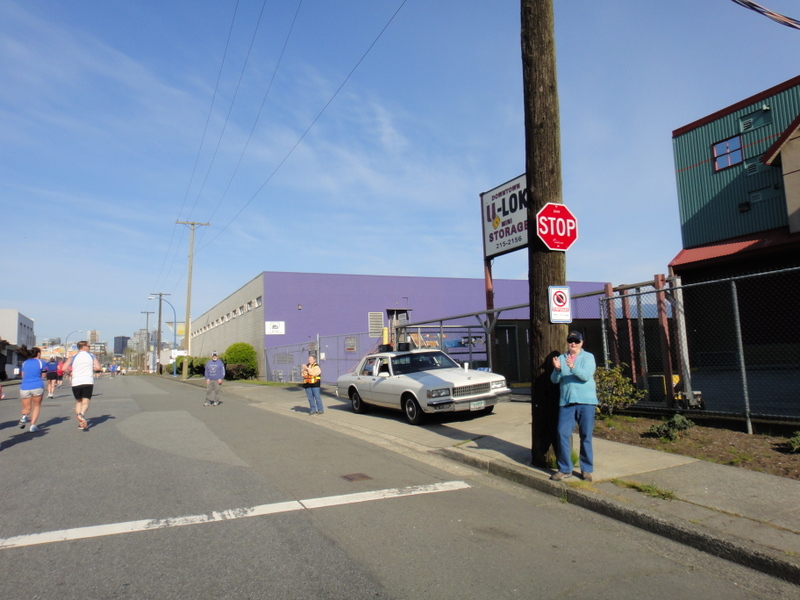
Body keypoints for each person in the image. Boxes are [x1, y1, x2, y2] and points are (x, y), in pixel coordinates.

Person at [550, 331, 598, 482]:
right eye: (571, 341)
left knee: (586, 436)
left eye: (576, 341)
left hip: (586, 402)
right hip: (567, 402)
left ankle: (586, 469)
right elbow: (554, 380)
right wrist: (558, 369)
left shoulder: (588, 357)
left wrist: (573, 367)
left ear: (581, 343)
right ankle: (565, 468)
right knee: (562, 433)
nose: (573, 344)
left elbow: (585, 376)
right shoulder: (562, 358)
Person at [63, 340, 102, 430]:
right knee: (86, 401)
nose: (89, 348)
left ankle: (80, 422)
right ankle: (82, 414)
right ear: (84, 347)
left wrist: (69, 373)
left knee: (78, 401)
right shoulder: (91, 356)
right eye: (89, 346)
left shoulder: (73, 357)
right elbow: (98, 367)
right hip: (87, 380)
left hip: (76, 381)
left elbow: (63, 368)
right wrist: (91, 368)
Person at [18, 346, 47, 432]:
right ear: (38, 354)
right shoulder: (41, 362)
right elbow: (44, 375)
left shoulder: (25, 363)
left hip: (25, 386)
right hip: (37, 385)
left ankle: (24, 417)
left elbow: (22, 375)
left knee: (26, 407)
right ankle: (32, 425)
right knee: (36, 406)